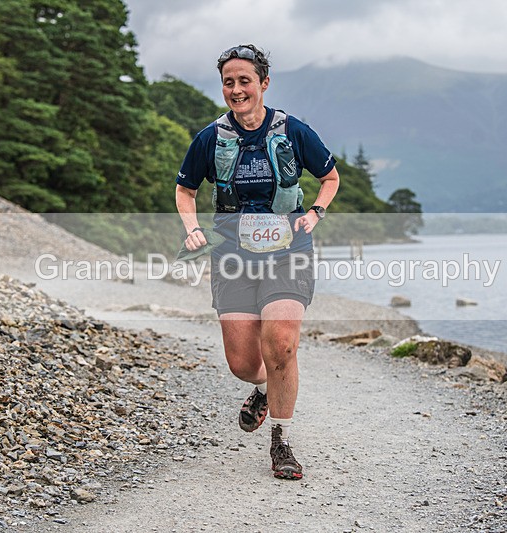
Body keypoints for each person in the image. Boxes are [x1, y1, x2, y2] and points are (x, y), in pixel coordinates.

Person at [174, 44, 339, 480]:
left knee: (281, 345)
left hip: (288, 253)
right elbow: (185, 189)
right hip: (233, 256)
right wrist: (192, 227)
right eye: (228, 82)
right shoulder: (211, 138)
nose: (236, 89)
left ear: (264, 83)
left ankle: (281, 441)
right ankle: (264, 388)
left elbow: (330, 178)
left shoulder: (293, 131)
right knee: (243, 364)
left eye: (245, 80)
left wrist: (315, 212)